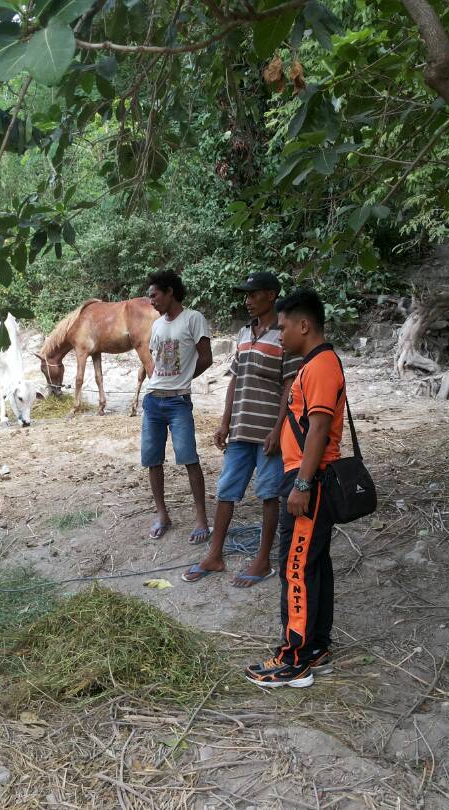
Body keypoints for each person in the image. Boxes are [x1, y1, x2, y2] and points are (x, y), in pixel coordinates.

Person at [245, 288, 345, 689]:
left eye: (284, 327)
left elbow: (319, 428)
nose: (280, 334)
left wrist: (302, 484)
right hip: (307, 476)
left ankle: (294, 659)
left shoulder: (320, 366)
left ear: (305, 325)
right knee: (314, 562)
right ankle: (316, 645)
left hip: (310, 479)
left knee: (296, 566)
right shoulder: (315, 364)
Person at [182, 271, 301, 587]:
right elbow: (235, 378)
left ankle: (262, 560)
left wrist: (278, 429)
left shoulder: (284, 335)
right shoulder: (244, 333)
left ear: (272, 295)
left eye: (253, 294)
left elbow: (289, 386)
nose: (247, 301)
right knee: (226, 490)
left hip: (268, 433)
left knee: (268, 494)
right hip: (240, 430)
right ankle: (215, 554)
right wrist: (224, 421)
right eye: (246, 295)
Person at [142, 270, 213, 543]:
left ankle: (201, 519)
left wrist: (184, 378)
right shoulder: (158, 325)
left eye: (154, 295)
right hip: (152, 401)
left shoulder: (193, 319)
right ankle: (162, 514)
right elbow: (154, 360)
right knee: (152, 460)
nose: (151, 301)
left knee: (189, 458)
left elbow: (206, 358)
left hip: (178, 402)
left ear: (170, 291)